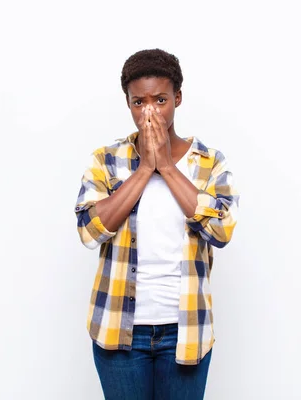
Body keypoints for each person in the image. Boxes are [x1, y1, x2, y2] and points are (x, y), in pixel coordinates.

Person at [73, 48, 239, 400]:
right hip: (119, 331)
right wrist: (145, 169)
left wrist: (166, 165)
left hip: (185, 332)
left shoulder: (209, 163)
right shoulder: (106, 159)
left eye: (161, 100)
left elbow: (222, 230)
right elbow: (89, 230)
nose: (150, 111)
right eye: (139, 102)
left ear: (177, 98)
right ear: (128, 104)